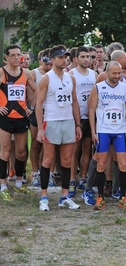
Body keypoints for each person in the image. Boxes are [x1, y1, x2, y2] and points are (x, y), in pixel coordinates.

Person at [36, 45, 82, 211]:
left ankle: (64, 196)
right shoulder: (46, 79)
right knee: (48, 159)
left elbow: (75, 101)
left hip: (68, 121)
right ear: (53, 59)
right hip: (52, 121)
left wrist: (77, 124)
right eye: (61, 57)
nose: (65, 60)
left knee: (67, 160)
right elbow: (39, 103)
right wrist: (40, 128)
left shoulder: (71, 77)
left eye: (66, 57)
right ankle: (43, 197)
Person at [88, 61, 126, 210]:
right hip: (103, 130)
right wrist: (93, 131)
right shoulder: (98, 88)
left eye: (119, 73)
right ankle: (100, 197)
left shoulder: (124, 86)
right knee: (101, 163)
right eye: (114, 73)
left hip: (120, 130)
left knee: (123, 163)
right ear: (107, 73)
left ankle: (122, 196)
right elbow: (92, 110)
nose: (117, 76)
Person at [0, 44, 36, 201]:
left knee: (21, 152)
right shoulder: (2, 73)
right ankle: (3, 185)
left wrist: (32, 107)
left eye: (18, 55)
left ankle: (20, 183)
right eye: (13, 55)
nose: (16, 58)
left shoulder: (26, 73)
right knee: (5, 152)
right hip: (6, 117)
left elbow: (37, 91)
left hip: (21, 117)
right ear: (6, 57)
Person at [67, 46, 98, 197]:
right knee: (74, 150)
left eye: (89, 57)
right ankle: (72, 179)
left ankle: (83, 177)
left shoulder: (94, 74)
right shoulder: (71, 74)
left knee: (87, 148)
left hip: (90, 116)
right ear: (76, 59)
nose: (87, 59)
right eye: (83, 57)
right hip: (76, 117)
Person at [30, 49, 53, 187]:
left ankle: (48, 174)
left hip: (51, 112)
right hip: (37, 111)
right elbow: (29, 93)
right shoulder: (34, 73)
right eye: (45, 60)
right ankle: (35, 173)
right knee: (35, 143)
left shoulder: (56, 74)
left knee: (50, 145)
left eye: (51, 60)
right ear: (40, 61)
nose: (48, 63)